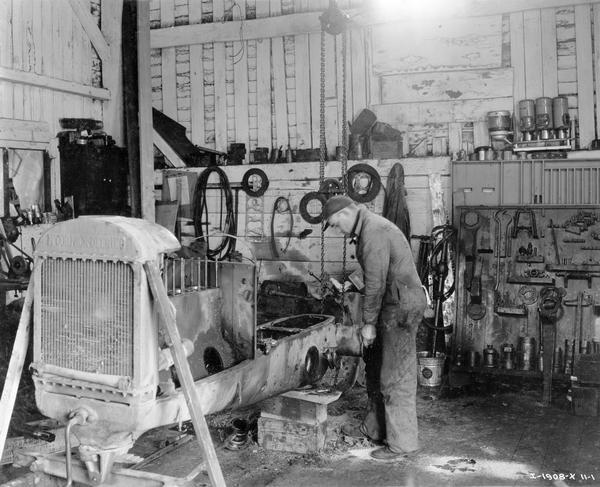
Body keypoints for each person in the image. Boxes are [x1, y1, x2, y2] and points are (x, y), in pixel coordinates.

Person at [322, 195, 426, 461]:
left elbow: (376, 284)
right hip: (393, 303)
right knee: (377, 365)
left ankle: (402, 445)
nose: (337, 230)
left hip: (399, 307)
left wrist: (368, 323)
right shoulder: (369, 228)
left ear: (346, 214)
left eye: (335, 224)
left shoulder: (373, 231)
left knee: (395, 375)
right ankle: (376, 429)